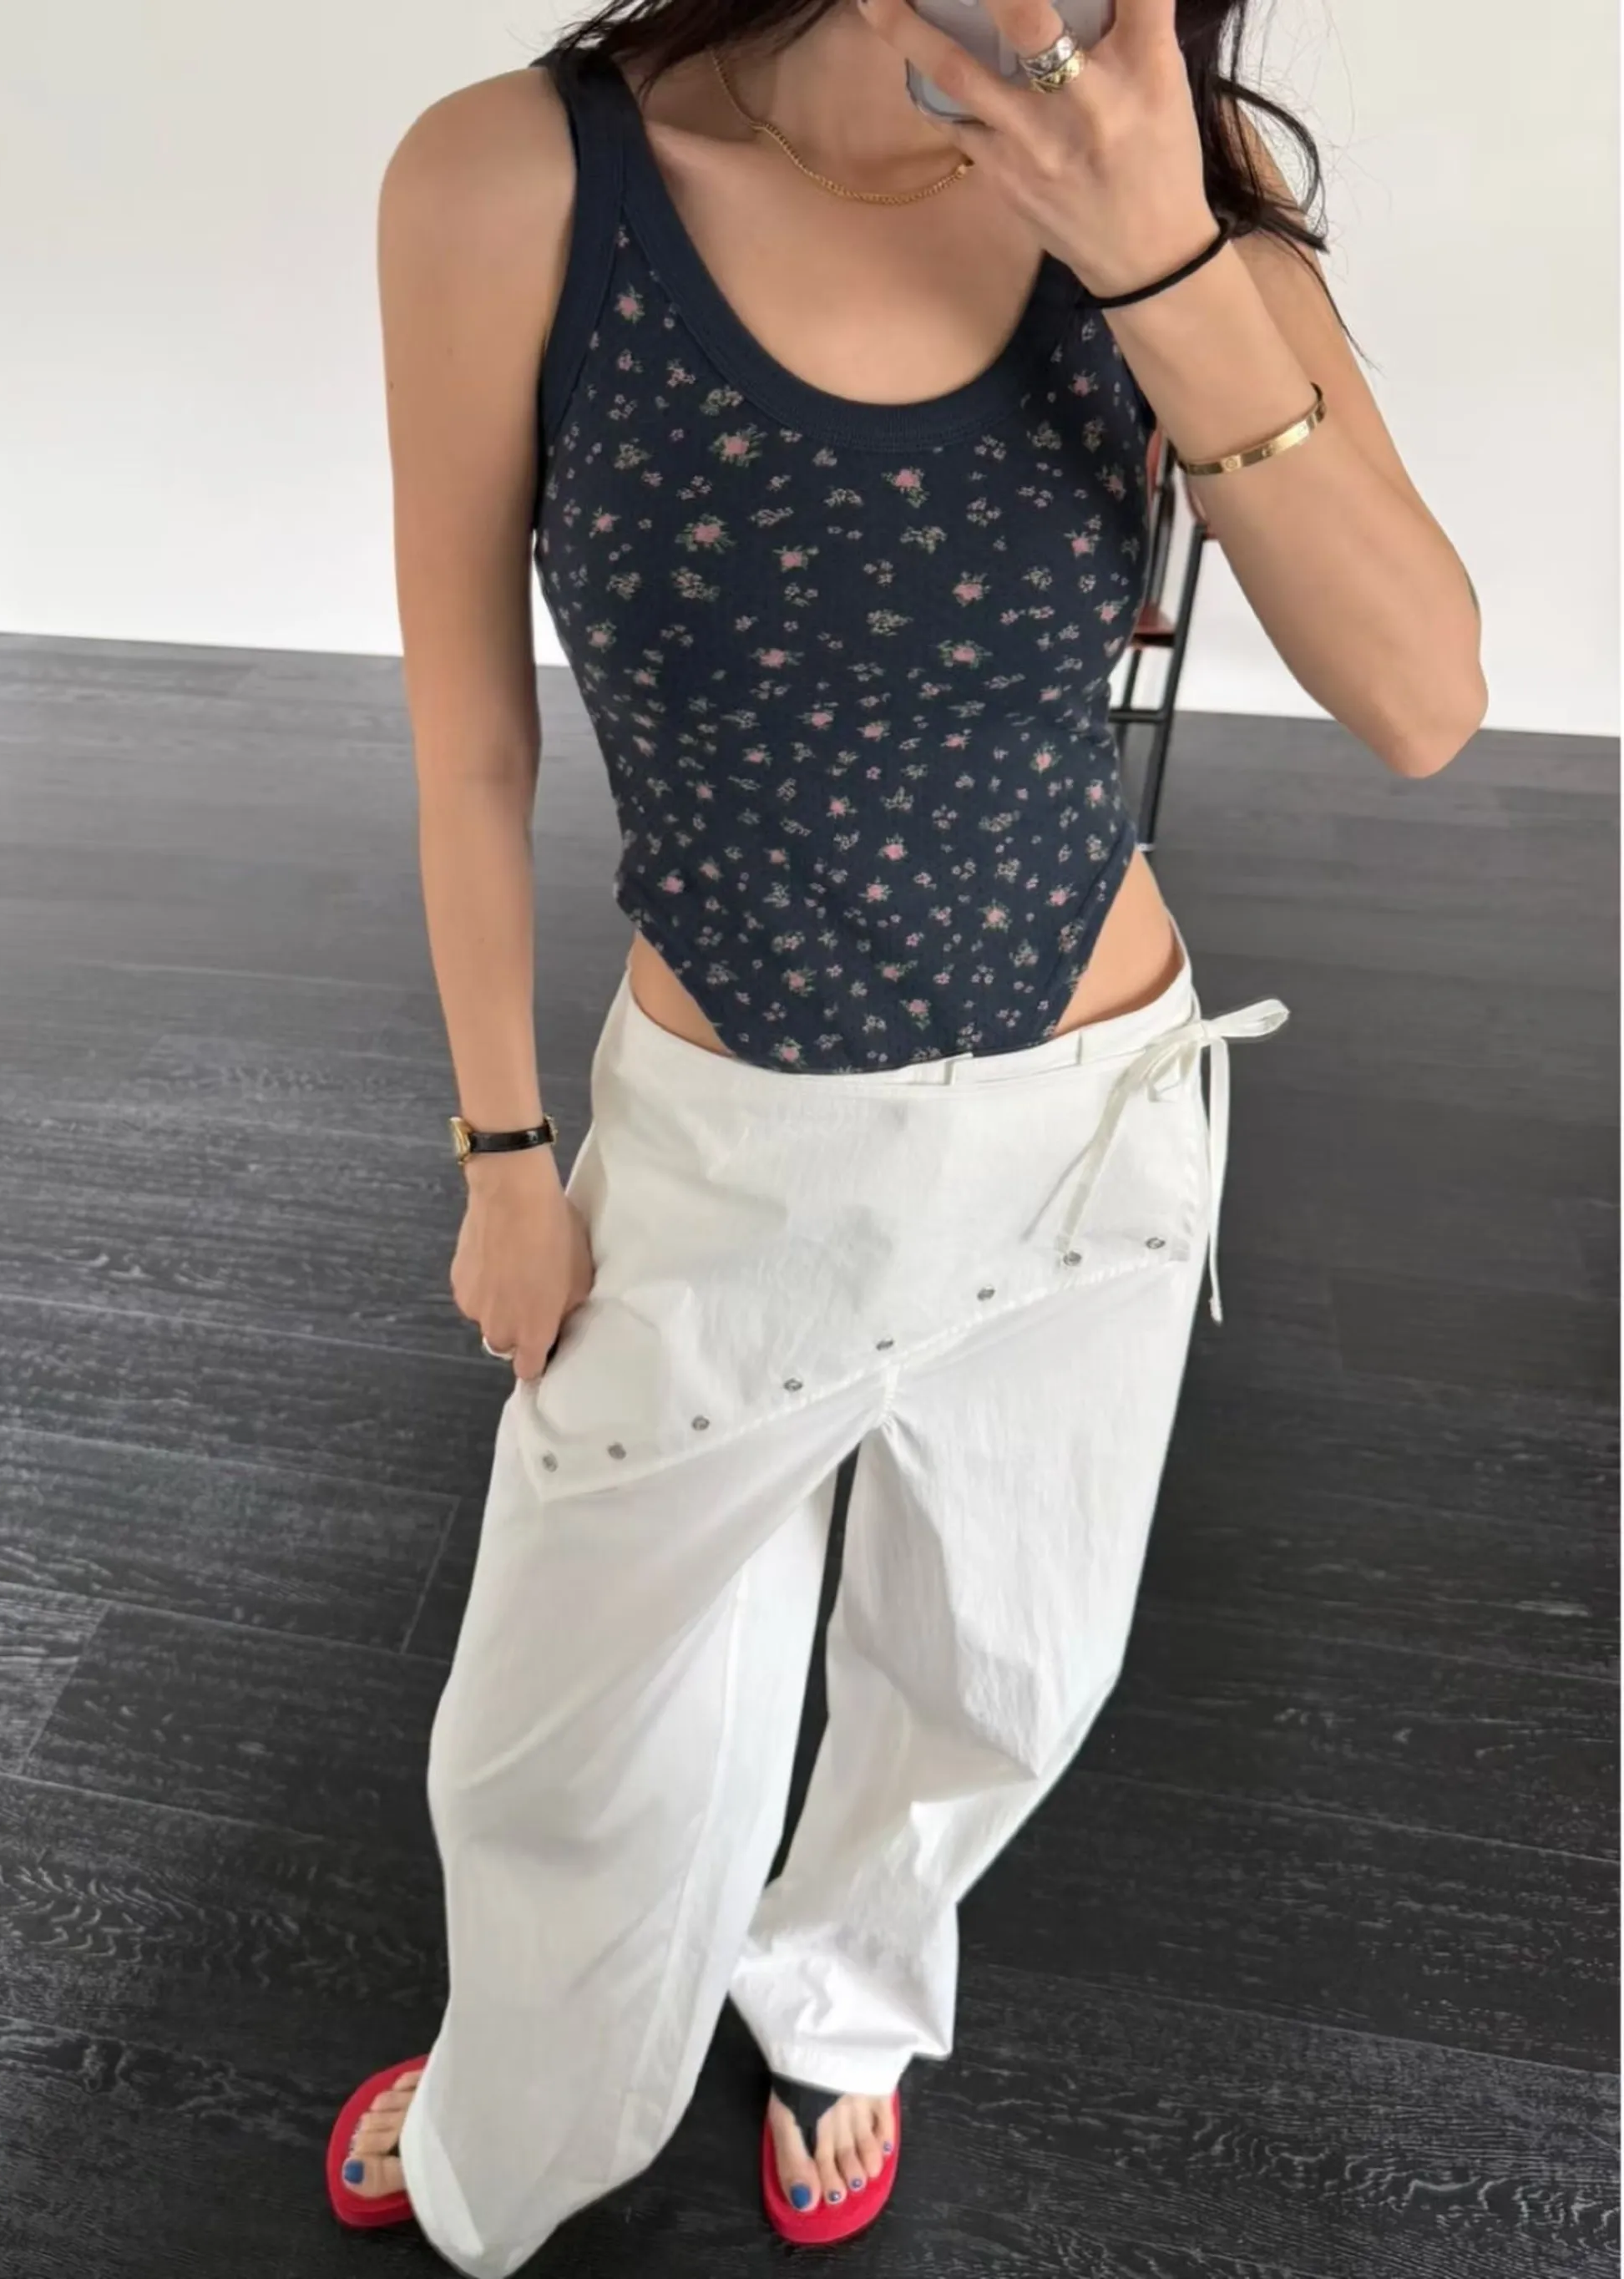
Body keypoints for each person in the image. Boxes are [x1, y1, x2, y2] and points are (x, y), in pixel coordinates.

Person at [329, 0, 1485, 2268]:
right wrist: (501, 1153)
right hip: (721, 1153)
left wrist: (1155, 253)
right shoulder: (518, 182)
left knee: (997, 1679)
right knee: (557, 1745)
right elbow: (469, 738)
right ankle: (521, 2118)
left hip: (1090, 1135)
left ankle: (842, 2009)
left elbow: (1426, 702)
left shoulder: (1185, 205)